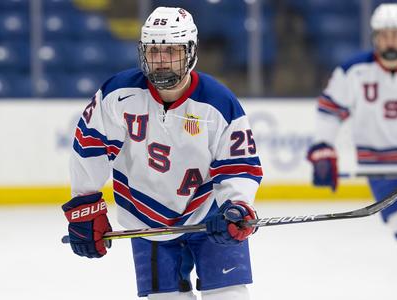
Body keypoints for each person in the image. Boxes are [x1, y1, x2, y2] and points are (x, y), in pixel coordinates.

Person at [61, 7, 262, 300]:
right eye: (154, 51)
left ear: (191, 52)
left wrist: (237, 206)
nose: (162, 61)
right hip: (145, 219)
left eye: (172, 51)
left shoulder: (218, 103)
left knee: (229, 296)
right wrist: (85, 205)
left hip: (210, 213)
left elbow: (239, 165)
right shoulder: (118, 95)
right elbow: (89, 147)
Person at [307, 3, 397, 300]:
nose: (391, 42)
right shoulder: (353, 72)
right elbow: (329, 111)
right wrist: (323, 148)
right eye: (385, 35)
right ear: (374, 37)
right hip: (381, 166)